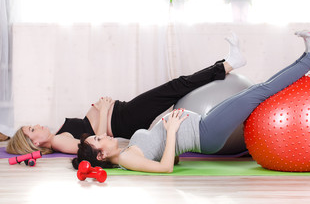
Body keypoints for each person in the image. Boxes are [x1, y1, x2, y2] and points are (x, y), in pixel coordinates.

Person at [72, 31, 310, 173]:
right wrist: (172, 131)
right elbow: (164, 169)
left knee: (259, 92)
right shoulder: (127, 160)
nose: (101, 135)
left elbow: (165, 154)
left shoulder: (126, 151)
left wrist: (173, 143)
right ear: (103, 154)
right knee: (259, 92)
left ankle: (309, 56)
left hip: (202, 124)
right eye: (97, 140)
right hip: (206, 133)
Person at [6, 33, 247, 155]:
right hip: (125, 119)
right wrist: (101, 111)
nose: (36, 125)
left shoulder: (59, 136)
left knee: (176, 88)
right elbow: (95, 144)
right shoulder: (59, 142)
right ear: (34, 143)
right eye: (32, 129)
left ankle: (225, 65)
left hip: (123, 114)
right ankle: (228, 64)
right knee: (176, 86)